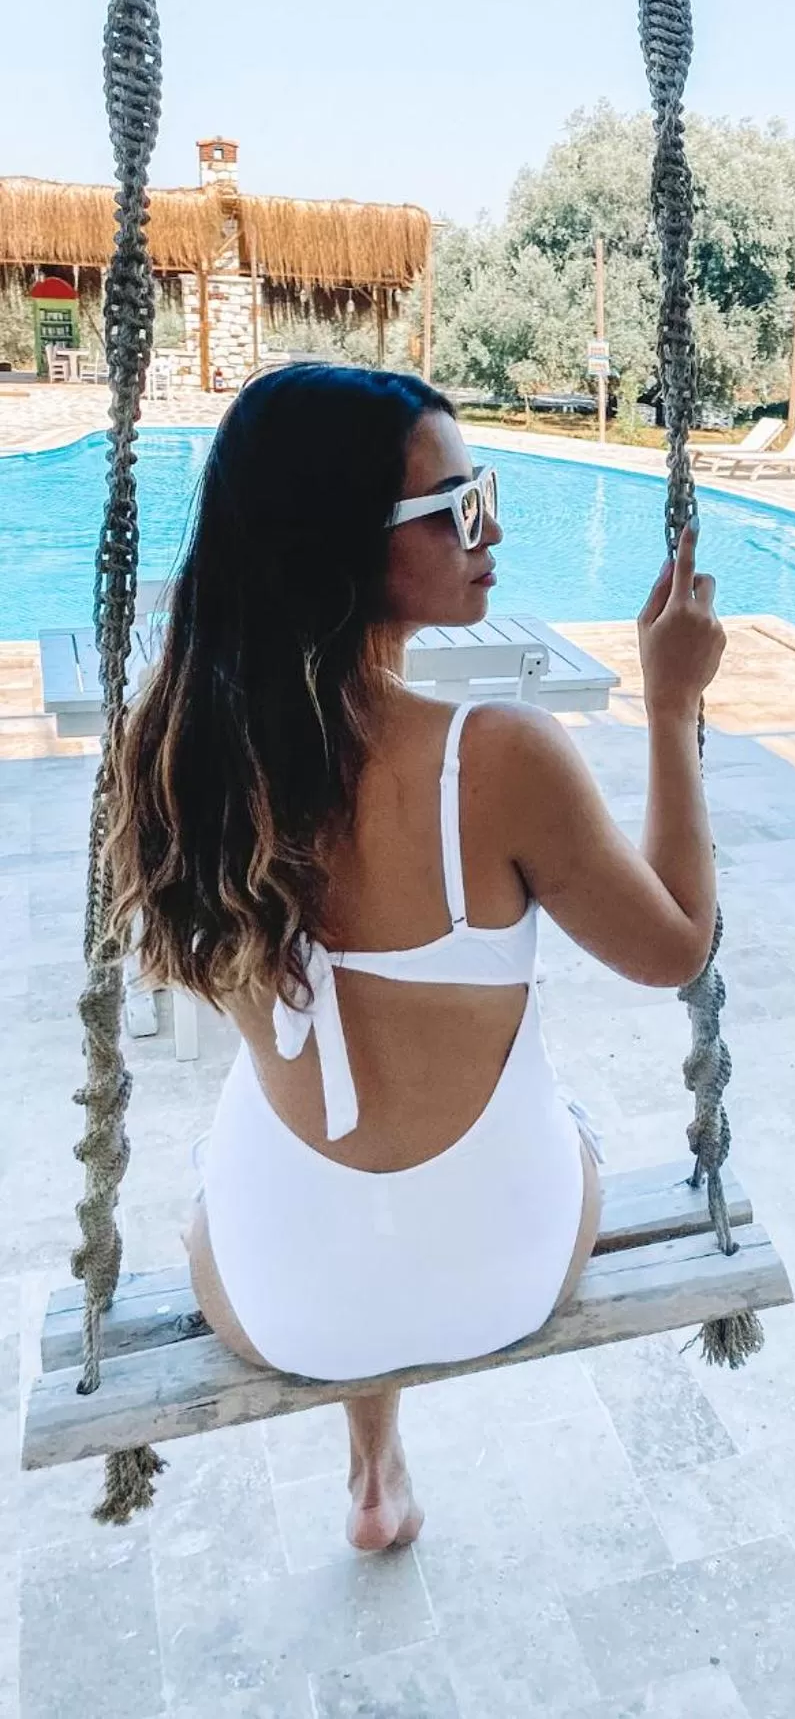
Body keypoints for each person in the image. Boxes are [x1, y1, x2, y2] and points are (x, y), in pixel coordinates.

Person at [107, 364, 724, 1550]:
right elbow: (677, 947)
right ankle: (381, 1455)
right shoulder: (495, 757)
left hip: (279, 1300)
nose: (491, 526)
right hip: (506, 1266)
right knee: (546, 1119)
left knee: (265, 1140)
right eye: (455, 505)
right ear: (343, 546)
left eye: (480, 489)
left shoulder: (182, 754)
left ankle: (373, 1465)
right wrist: (667, 706)